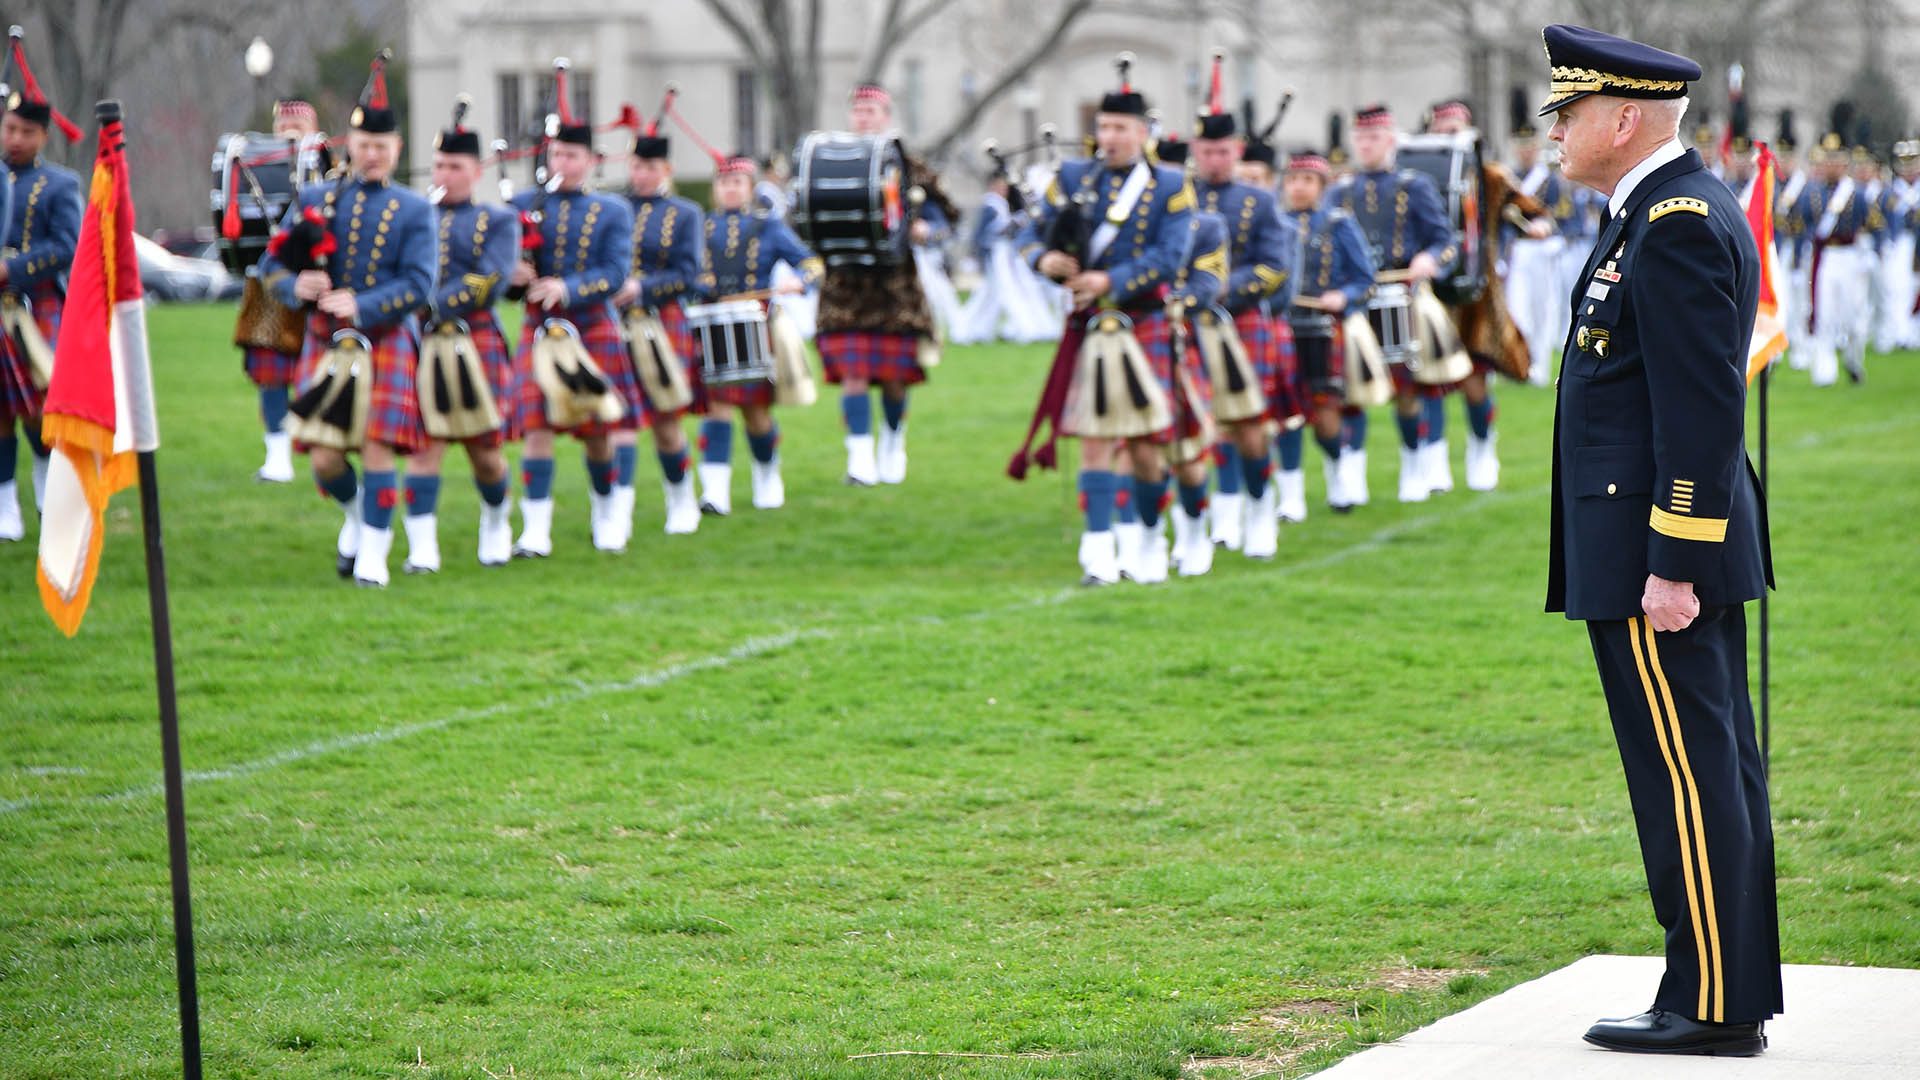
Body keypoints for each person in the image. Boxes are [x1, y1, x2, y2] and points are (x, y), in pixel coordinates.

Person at [1541, 23, 1779, 1056]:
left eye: (1568, 112)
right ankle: (1710, 985)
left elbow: (1700, 411)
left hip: (1657, 557)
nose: (1554, 130)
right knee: (1702, 771)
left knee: (1688, 776)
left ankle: (1713, 1006)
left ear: (1622, 116)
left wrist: (1673, 564)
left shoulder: (1673, 220)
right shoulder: (1651, 209)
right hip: (1650, 547)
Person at [1010, 53, 1194, 585]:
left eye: (1119, 128)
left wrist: (1108, 281)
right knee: (1094, 437)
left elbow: (1171, 256)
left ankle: (1146, 538)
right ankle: (1098, 552)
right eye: (1103, 127)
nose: (1109, 137)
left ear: (1142, 132)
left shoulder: (1171, 186)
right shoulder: (1069, 177)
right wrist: (1043, 260)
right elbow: (1027, 232)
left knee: (1142, 442)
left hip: (1144, 319)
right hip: (1091, 328)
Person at [258, 51, 435, 586]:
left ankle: (375, 557)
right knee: (325, 460)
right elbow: (270, 265)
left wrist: (364, 303)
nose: (373, 155)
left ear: (396, 148)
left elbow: (419, 283)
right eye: (364, 146)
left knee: (379, 446)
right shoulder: (317, 197)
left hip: (386, 338)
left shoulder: (414, 209)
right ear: (349, 145)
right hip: (326, 340)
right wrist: (296, 284)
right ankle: (357, 516)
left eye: (382, 147)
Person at [504, 65, 637, 556]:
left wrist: (568, 287)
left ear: (592, 160)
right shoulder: (523, 203)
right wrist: (512, 277)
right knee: (535, 428)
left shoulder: (612, 211)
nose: (562, 161)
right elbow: (502, 273)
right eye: (556, 153)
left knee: (597, 431)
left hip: (591, 327)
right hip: (540, 330)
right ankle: (535, 531)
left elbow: (616, 274)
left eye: (571, 154)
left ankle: (607, 509)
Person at [401, 97, 521, 572]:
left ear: (475, 170)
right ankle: (422, 548)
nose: (443, 174)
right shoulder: (412, 216)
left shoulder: (499, 221)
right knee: (424, 447)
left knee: (485, 453)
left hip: (474, 340)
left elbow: (489, 280)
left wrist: (428, 303)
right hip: (421, 343)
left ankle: (496, 519)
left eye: (454, 165)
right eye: (437, 165)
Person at [817, 83, 955, 486]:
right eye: (857, 110)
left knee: (895, 379)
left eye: (871, 111)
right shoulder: (829, 160)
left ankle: (893, 441)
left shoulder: (907, 164)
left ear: (886, 117)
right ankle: (859, 459)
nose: (863, 117)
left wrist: (928, 229)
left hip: (896, 289)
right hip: (846, 286)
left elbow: (947, 215)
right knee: (854, 373)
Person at [1189, 53, 1298, 553]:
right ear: (1196, 150)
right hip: (1189, 324)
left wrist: (1220, 288)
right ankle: (1223, 511)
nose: (1215, 159)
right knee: (1201, 420)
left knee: (1248, 423)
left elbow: (1274, 267)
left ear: (1235, 150)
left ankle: (1259, 505)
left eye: (1223, 150)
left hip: (1243, 320)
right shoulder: (1178, 197)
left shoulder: (1261, 202)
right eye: (1207, 150)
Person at [1327, 103, 1456, 504]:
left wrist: (1428, 260)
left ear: (1391, 140)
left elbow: (1445, 240)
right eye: (1361, 138)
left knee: (1408, 388)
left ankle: (1414, 465)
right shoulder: (1338, 191)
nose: (1367, 145)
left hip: (1402, 294)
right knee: (1351, 388)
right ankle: (1352, 477)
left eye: (1375, 137)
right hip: (1354, 300)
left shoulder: (1413, 185)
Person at [1426, 97, 1551, 494]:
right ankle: (1431, 460)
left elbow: (1530, 211)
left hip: (1477, 294)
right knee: (1428, 379)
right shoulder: (1418, 178)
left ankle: (1482, 447)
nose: (1450, 137)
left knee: (1473, 378)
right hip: (1430, 292)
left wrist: (1535, 224)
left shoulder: (1491, 177)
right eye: (1442, 130)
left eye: (1457, 129)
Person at [697, 153, 822, 512]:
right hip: (712, 326)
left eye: (736, 182)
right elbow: (683, 270)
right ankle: (714, 492)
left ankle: (768, 473)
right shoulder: (701, 226)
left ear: (750, 188)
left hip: (755, 325)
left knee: (754, 411)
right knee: (716, 406)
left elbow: (811, 263)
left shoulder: (769, 226)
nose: (729, 189)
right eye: (723, 182)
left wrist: (800, 282)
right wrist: (698, 283)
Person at [613, 96, 706, 538]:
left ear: (665, 170)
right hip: (614, 325)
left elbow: (688, 275)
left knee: (667, 422)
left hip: (662, 322)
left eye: (649, 168)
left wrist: (641, 288)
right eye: (636, 166)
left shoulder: (686, 214)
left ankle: (681, 497)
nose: (641, 175)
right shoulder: (613, 208)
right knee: (620, 420)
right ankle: (619, 511)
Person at [0, 31, 80, 544]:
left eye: (27, 131)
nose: (15, 139)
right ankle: (5, 503)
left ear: (44, 136)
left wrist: (15, 269)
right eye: (9, 128)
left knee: (39, 410)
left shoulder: (60, 185)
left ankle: (47, 485)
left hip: (37, 308)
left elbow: (66, 246)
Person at [1279, 148, 1374, 512]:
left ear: (1321, 185)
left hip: (1324, 328)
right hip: (1284, 328)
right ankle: (1289, 497)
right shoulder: (1276, 223)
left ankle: (1338, 474)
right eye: (1292, 180)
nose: (1298, 188)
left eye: (1307, 180)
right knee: (1286, 414)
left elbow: (1364, 279)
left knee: (1325, 414)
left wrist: (1342, 296)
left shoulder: (1338, 223)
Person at [244, 100, 329, 484]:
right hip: (271, 282)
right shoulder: (257, 168)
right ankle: (277, 457)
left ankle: (323, 447)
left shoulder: (330, 169)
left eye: (299, 125)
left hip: (321, 281)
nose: (290, 131)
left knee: (320, 370)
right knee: (271, 371)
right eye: (284, 125)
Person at [1787, 109, 1877, 387]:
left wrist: (1869, 253)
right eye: (1828, 160)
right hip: (1824, 257)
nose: (1832, 166)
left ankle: (1853, 359)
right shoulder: (1810, 193)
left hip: (1849, 255)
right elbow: (1801, 227)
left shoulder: (1857, 193)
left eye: (1837, 160)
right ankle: (1824, 369)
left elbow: (1871, 225)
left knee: (1853, 313)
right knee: (1823, 312)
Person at [1505, 93, 1569, 388]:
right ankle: (1521, 363)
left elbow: (1560, 215)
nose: (1525, 151)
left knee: (1544, 308)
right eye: (1520, 146)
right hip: (1520, 250)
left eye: (1529, 145)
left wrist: (1546, 225)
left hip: (1543, 250)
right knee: (1519, 309)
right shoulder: (1510, 179)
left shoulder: (1549, 179)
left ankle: (1541, 368)